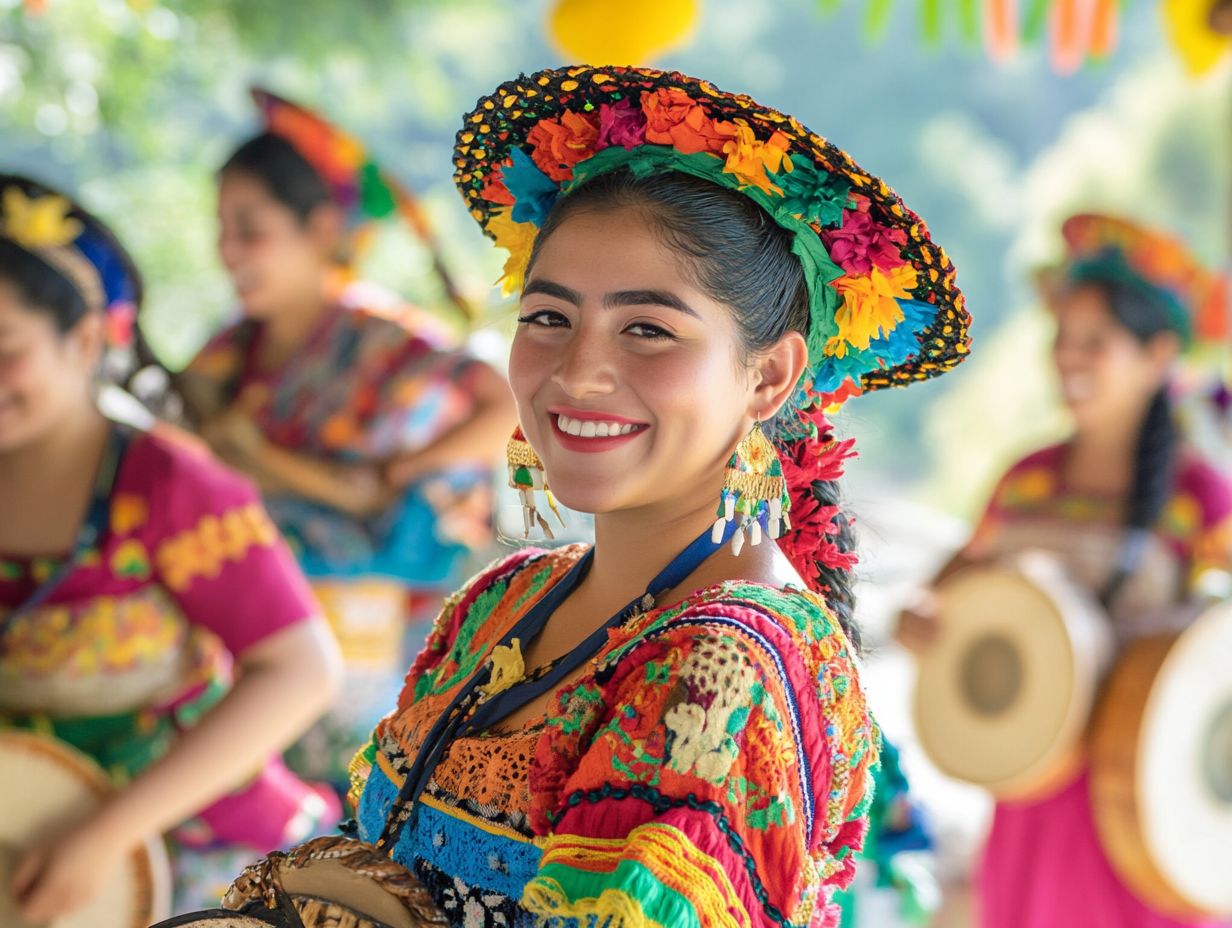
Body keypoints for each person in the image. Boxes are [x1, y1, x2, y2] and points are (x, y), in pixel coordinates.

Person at [342, 64, 973, 928]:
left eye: (648, 330)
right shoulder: (504, 598)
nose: (579, 371)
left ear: (769, 377)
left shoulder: (727, 668)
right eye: (548, 317)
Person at [0, 174, 344, 920]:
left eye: (4, 350)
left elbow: (301, 667)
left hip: (196, 850)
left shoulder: (163, 483)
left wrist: (105, 835)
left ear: (85, 339)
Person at [896, 214, 1232, 928]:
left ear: (1158, 354)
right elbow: (940, 594)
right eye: (1061, 338)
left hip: (1146, 812)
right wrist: (923, 619)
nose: (1067, 359)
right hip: (1027, 794)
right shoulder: (1026, 481)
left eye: (1094, 342)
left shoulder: (1200, 499)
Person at [177, 90, 517, 792]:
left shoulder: (379, 336)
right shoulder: (228, 352)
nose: (227, 252)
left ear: (321, 226)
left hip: (361, 647)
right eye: (221, 229)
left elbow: (503, 400)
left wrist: (402, 471)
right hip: (246, 632)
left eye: (250, 228)